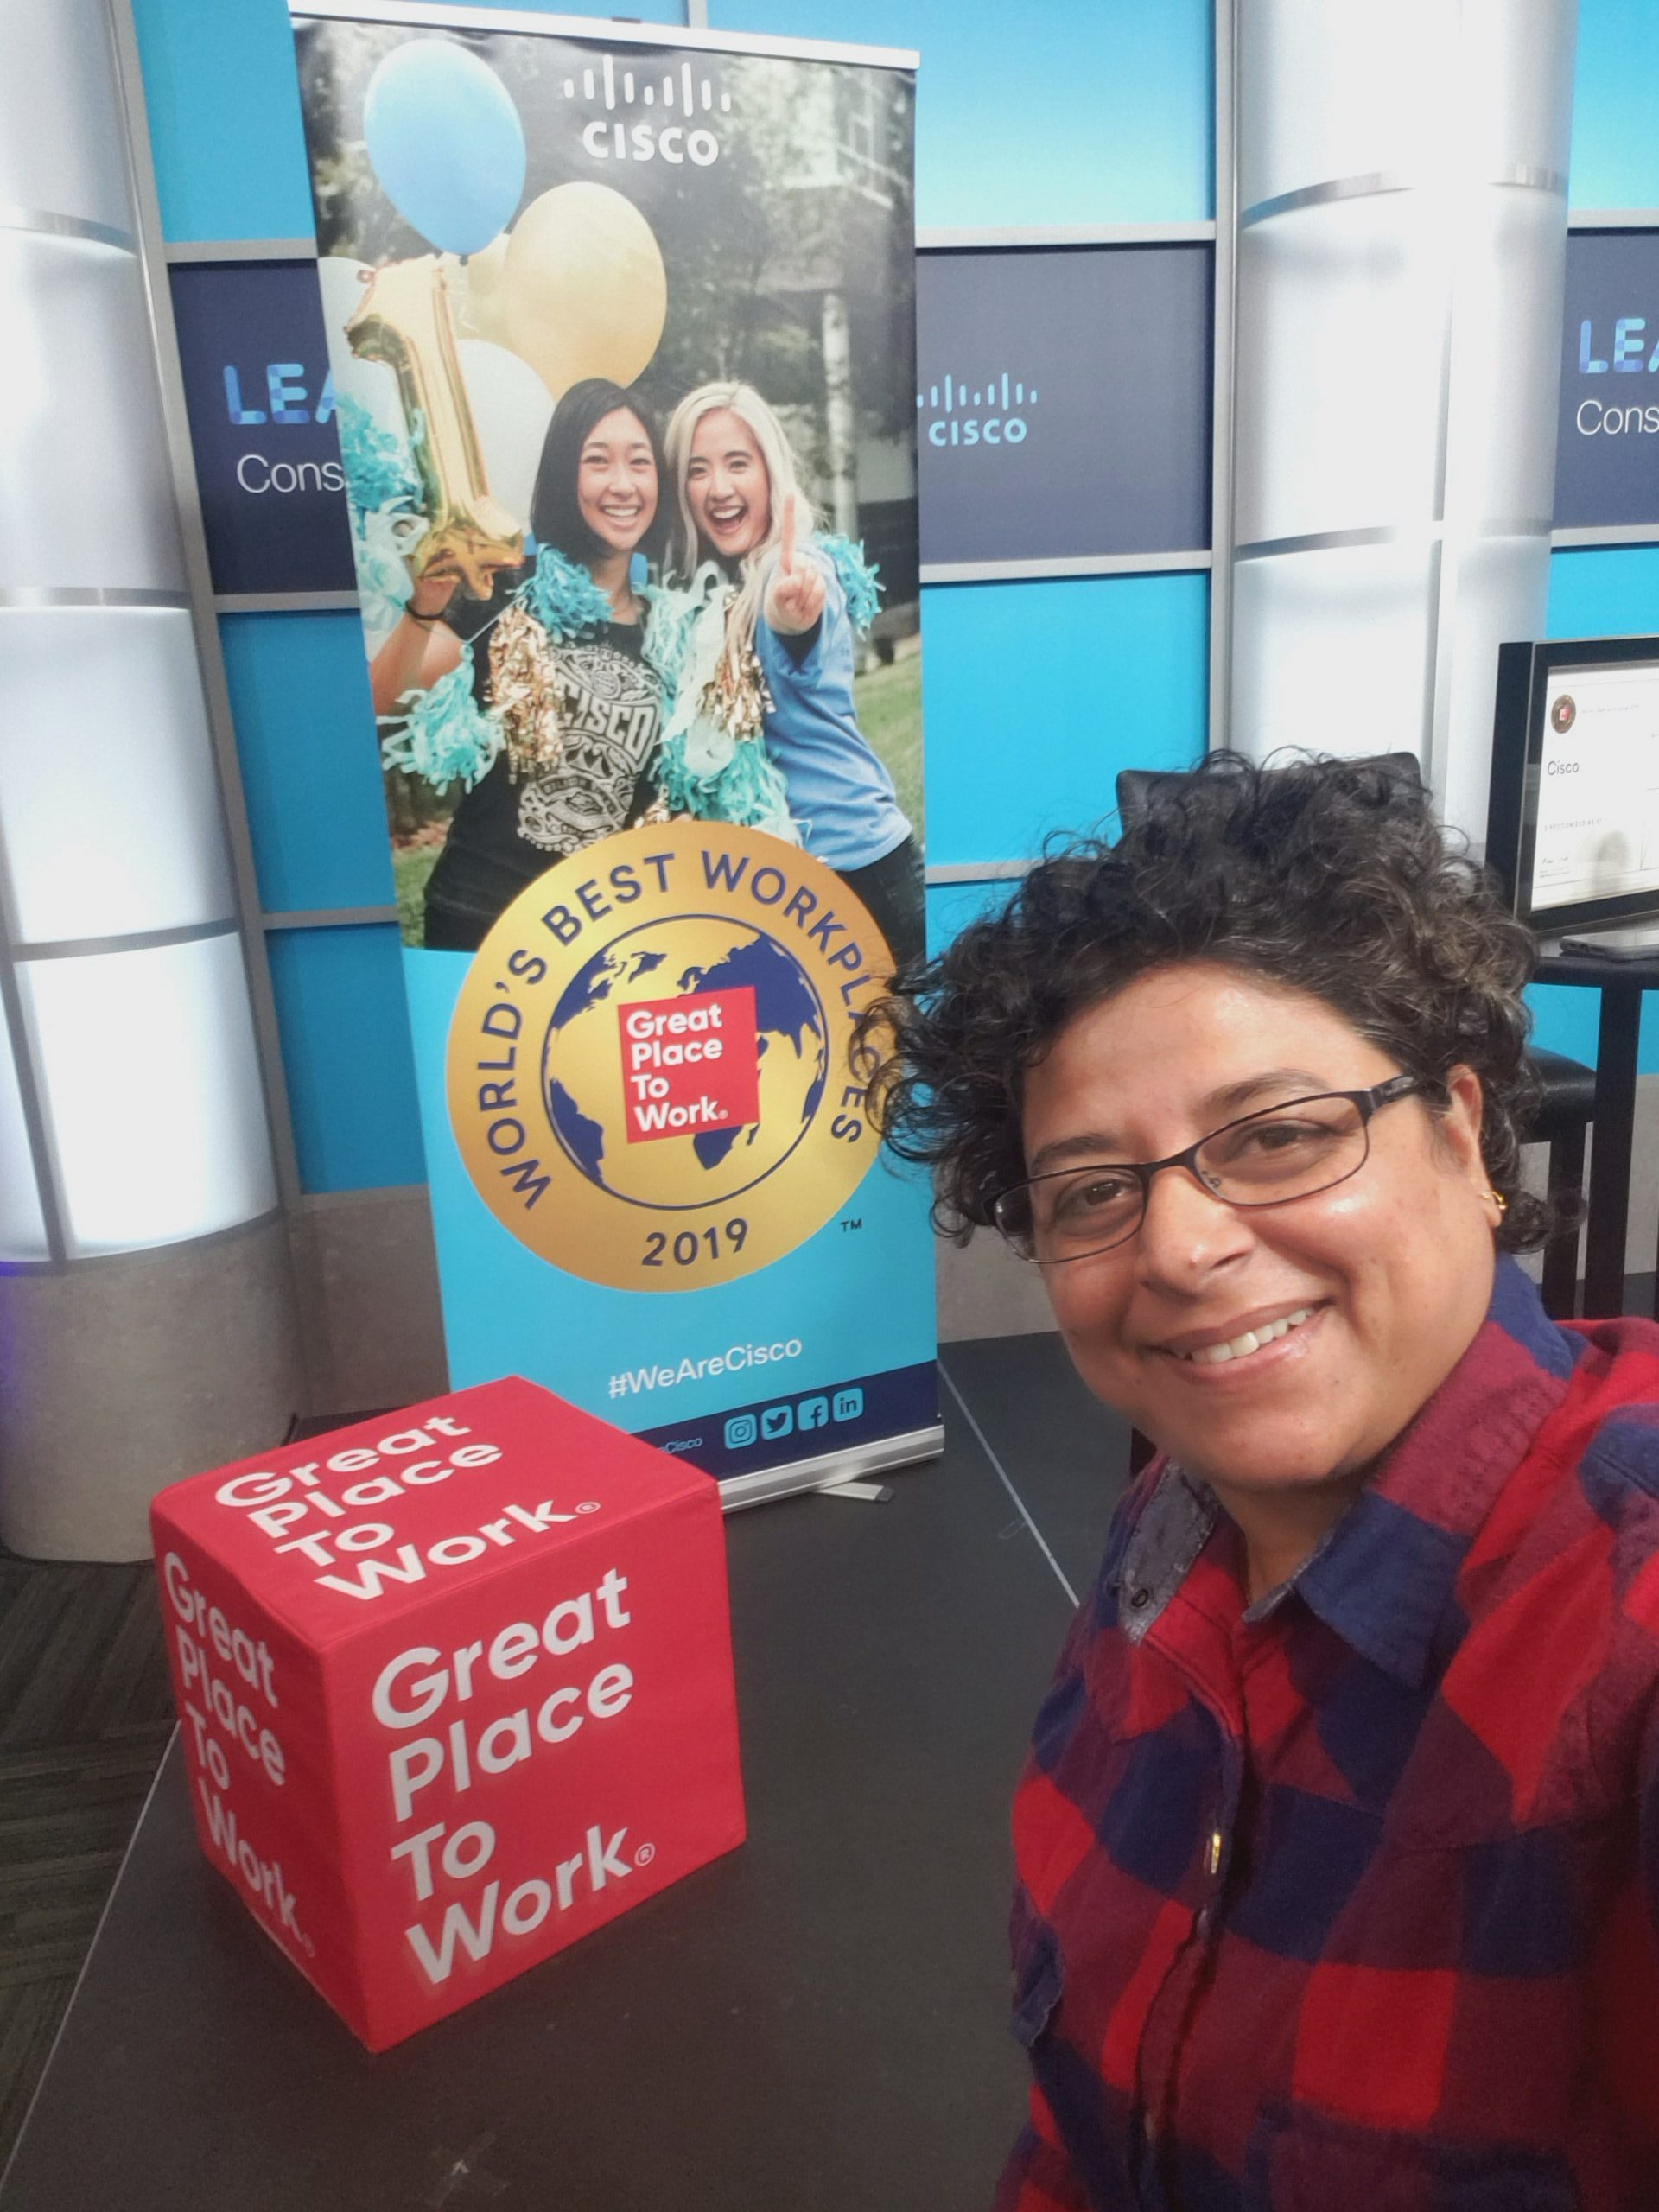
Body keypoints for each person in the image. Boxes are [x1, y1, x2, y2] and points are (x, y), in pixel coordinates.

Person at [868, 753, 1659, 2210]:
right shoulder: (1167, 1543)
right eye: (1097, 1189)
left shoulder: (1627, 1609)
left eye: (1283, 1135)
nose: (1176, 1246)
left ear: (1465, 1131)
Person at [370, 378, 669, 950]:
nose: (623, 484)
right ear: (564, 474)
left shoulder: (670, 629)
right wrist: (424, 607)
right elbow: (381, 700)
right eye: (597, 461)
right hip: (482, 919)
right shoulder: (505, 592)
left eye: (640, 462)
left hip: (602, 939)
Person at [656, 379, 925, 975]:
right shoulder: (697, 600)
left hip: (857, 871)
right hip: (772, 886)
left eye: (737, 463)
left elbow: (795, 635)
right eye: (698, 470)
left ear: (771, 474)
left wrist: (789, 615)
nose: (720, 487)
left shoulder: (803, 569)